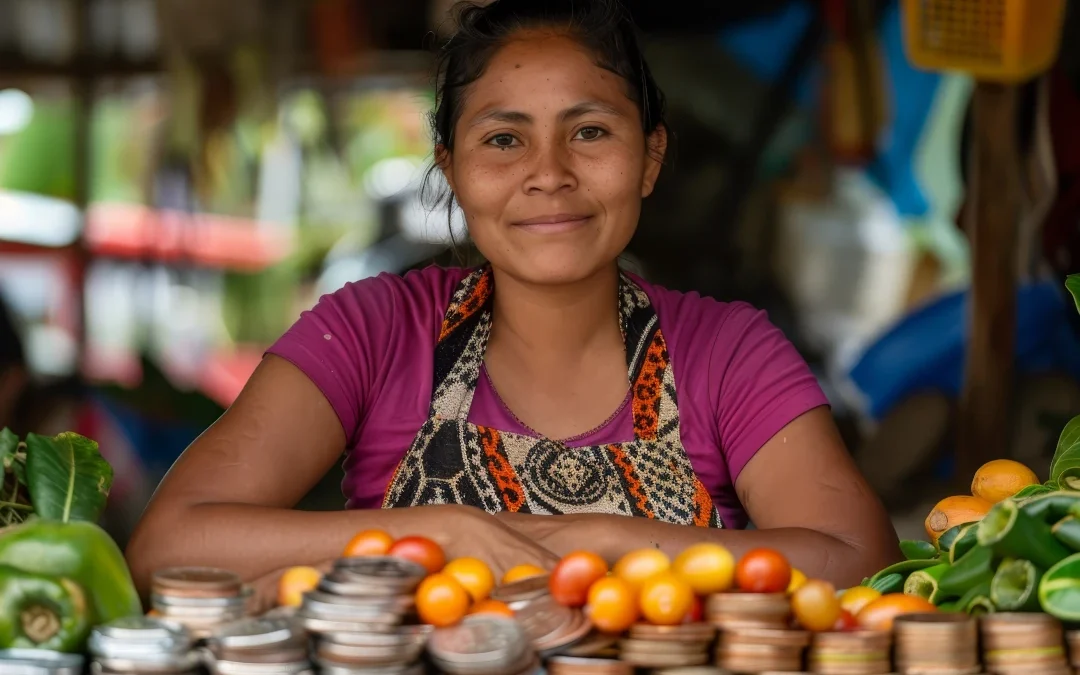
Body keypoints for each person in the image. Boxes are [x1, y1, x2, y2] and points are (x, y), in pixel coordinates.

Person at [126, 0, 900, 609]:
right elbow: (169, 545)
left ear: (650, 157)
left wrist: (599, 537)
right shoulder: (372, 331)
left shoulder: (729, 351)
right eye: (503, 140)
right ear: (452, 168)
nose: (549, 173)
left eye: (589, 131)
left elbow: (862, 563)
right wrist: (435, 531)